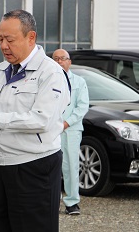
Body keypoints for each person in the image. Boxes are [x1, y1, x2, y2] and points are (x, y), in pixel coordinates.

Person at [0, 10, 70, 232]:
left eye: (10, 40)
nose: (4, 46)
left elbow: (41, 119)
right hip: (0, 167)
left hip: (34, 168)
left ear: (31, 37)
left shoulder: (50, 73)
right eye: (0, 39)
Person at [52, 49, 89, 215]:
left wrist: (67, 122)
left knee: (71, 166)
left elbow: (82, 106)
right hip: (50, 129)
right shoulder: (48, 80)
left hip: (71, 130)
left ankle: (72, 202)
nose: (59, 62)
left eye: (63, 59)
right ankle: (52, 201)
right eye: (56, 59)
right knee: (51, 166)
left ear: (69, 61)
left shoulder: (79, 82)